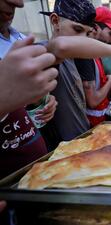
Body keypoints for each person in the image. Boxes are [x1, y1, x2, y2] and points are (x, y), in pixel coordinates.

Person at [39, 0, 111, 146]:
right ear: (55, 21)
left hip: (81, 139)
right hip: (60, 148)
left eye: (86, 33)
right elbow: (60, 46)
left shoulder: (74, 58)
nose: (82, 40)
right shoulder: (46, 51)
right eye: (77, 30)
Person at [0, 0, 58, 178]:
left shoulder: (20, 39)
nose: (18, 3)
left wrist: (47, 100)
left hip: (36, 167)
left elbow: (30, 98)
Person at [74, 6, 111, 126]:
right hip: (91, 124)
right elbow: (92, 101)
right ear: (95, 28)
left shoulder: (95, 54)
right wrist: (110, 82)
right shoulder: (85, 55)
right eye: (110, 34)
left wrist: (109, 90)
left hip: (101, 119)